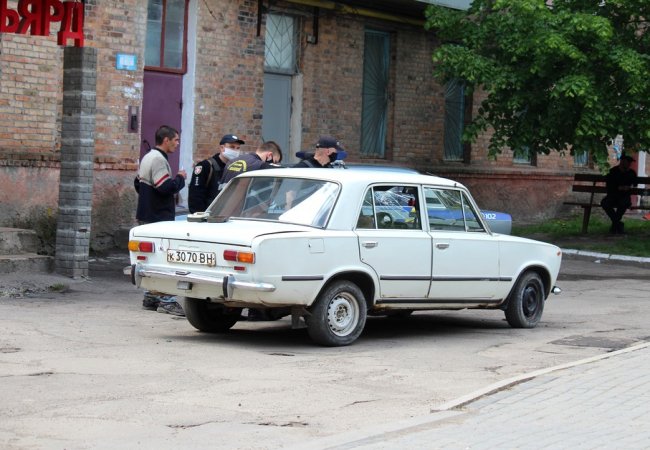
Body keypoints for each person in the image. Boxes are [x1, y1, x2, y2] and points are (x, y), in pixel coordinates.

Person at [219, 141, 283, 322]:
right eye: (276, 160)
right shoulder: (260, 165)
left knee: (226, 268)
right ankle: (255, 310)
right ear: (269, 155)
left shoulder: (235, 162)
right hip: (243, 222)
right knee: (248, 269)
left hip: (223, 218)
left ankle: (227, 310)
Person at [134, 125, 187, 315]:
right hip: (158, 218)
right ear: (166, 140)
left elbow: (138, 184)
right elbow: (165, 187)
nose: (177, 144)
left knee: (152, 259)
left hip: (147, 214)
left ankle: (151, 296)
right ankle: (167, 300)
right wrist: (180, 178)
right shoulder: (158, 159)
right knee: (165, 260)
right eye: (176, 140)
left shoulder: (148, 157)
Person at [187, 134, 245, 213]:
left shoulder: (236, 168)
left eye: (238, 148)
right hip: (207, 216)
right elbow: (195, 196)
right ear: (222, 148)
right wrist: (200, 216)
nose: (235, 151)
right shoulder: (206, 166)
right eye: (232, 147)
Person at [600, 154, 638, 234]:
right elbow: (609, 186)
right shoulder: (613, 171)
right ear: (622, 162)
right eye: (628, 162)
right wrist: (619, 188)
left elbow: (635, 184)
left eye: (630, 162)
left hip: (625, 196)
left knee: (624, 203)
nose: (629, 164)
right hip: (613, 195)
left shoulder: (631, 173)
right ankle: (618, 224)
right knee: (604, 203)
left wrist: (629, 186)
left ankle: (615, 225)